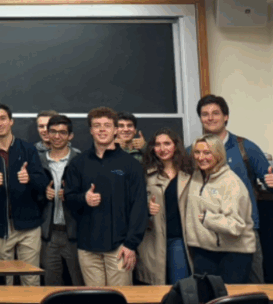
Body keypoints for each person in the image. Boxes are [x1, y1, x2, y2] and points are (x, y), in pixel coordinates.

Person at [197, 94, 273, 287]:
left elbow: (272, 179)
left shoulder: (245, 147)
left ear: (225, 117)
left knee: (253, 288)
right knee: (217, 291)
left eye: (215, 113)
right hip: (210, 233)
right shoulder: (195, 151)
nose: (210, 118)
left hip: (244, 230)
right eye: (205, 114)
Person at [64, 106, 148, 287]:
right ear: (91, 131)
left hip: (120, 247)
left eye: (107, 125)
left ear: (116, 130)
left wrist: (131, 244)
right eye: (97, 125)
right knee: (96, 303)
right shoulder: (78, 163)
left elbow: (139, 207)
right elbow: (69, 199)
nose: (102, 129)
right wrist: (83, 199)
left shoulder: (130, 164)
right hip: (87, 248)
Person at [0, 103, 48, 304]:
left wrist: (30, 179)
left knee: (31, 280)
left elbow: (42, 184)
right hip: (0, 228)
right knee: (4, 281)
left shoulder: (28, 149)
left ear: (11, 121)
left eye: (3, 118)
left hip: (28, 226)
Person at [184, 134, 256, 284]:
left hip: (233, 254)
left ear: (218, 154)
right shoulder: (196, 177)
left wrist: (208, 220)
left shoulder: (232, 183)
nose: (201, 157)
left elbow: (236, 225)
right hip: (202, 251)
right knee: (205, 302)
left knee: (230, 303)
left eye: (207, 153)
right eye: (197, 152)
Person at [136, 128, 192, 286]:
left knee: (180, 288)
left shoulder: (190, 172)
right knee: (156, 290)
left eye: (167, 143)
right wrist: (146, 208)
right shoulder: (145, 173)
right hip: (154, 238)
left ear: (176, 146)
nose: (162, 149)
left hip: (180, 238)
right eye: (157, 144)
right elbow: (132, 205)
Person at [38, 114, 83, 287]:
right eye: (53, 132)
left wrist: (72, 195)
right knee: (51, 285)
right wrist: (43, 194)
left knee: (80, 283)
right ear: (47, 134)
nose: (57, 136)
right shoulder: (38, 160)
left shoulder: (80, 160)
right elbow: (30, 195)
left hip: (74, 233)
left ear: (70, 136)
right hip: (48, 234)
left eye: (62, 132)